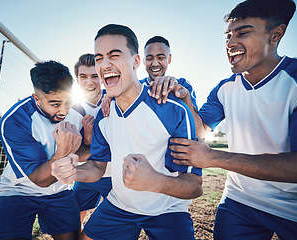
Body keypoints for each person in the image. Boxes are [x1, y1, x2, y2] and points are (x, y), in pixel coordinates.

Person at [155, 0, 297, 239]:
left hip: (295, 209)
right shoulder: (225, 88)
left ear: (276, 34)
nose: (231, 43)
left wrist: (214, 157)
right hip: (239, 201)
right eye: (228, 36)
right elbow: (201, 129)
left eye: (243, 33)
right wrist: (184, 100)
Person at [51, 24, 203, 240]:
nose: (105, 64)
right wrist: (73, 172)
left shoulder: (173, 110)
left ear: (136, 61)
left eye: (114, 55)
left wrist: (155, 181)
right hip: (119, 206)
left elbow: (195, 186)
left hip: (167, 209)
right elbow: (97, 166)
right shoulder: (104, 114)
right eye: (99, 58)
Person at [0, 61, 82, 240]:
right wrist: (64, 151)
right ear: (36, 98)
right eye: (55, 104)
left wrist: (86, 140)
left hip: (58, 190)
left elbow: (82, 149)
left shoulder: (77, 113)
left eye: (68, 101)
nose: (63, 110)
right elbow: (39, 179)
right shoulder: (15, 120)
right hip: (18, 191)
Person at [64, 53, 112, 224]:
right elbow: (72, 153)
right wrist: (87, 136)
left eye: (95, 76)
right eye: (83, 76)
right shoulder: (70, 110)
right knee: (74, 216)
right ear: (77, 80)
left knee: (117, 220)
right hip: (86, 174)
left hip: (113, 175)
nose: (89, 82)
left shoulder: (116, 99)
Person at [101, 35, 198, 117]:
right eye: (149, 58)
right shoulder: (134, 86)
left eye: (160, 57)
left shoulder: (182, 85)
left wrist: (181, 96)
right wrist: (109, 96)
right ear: (143, 61)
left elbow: (195, 124)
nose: (155, 63)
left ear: (169, 59)